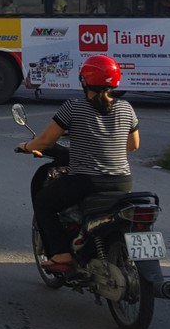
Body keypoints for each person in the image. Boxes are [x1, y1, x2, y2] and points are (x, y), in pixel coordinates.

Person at [17, 55, 140, 272]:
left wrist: (27, 146)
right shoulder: (126, 108)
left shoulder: (74, 107)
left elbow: (46, 141)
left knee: (44, 202)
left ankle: (61, 254)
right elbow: (132, 145)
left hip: (86, 182)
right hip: (123, 183)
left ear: (84, 80)